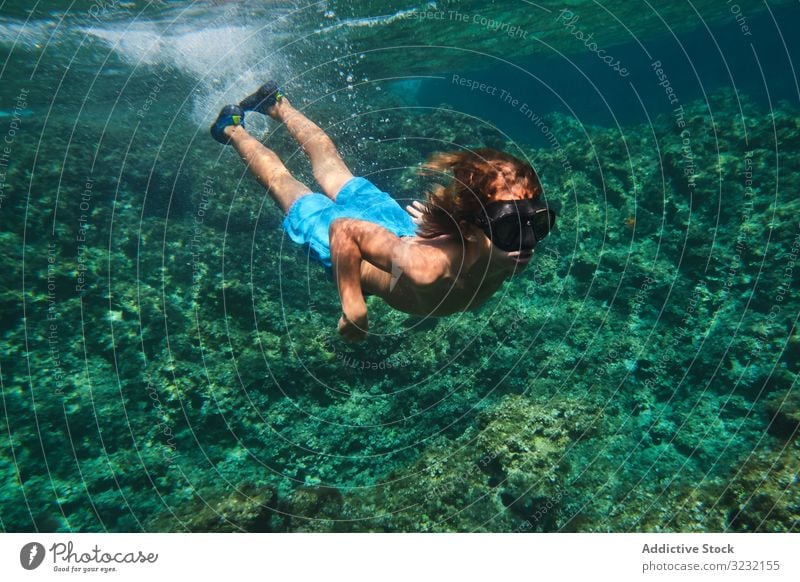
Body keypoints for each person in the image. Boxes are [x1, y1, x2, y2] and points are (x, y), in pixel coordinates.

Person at [211, 82, 556, 342]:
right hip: (357, 249)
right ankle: (232, 127)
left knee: (333, 169)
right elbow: (344, 230)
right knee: (283, 183)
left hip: (396, 226)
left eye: (538, 222)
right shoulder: (426, 269)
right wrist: (355, 308)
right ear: (470, 229)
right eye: (511, 226)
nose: (528, 242)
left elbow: (462, 261)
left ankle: (275, 103)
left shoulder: (506, 256)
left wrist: (443, 228)